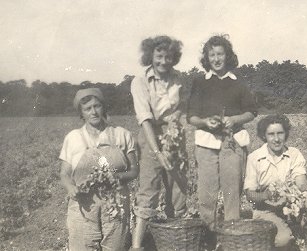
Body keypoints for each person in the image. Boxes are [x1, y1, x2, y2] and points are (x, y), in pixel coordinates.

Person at [187, 35, 258, 247]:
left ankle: (231, 239)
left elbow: (252, 111)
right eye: (212, 55)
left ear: (227, 56)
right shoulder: (200, 82)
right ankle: (208, 240)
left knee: (231, 192)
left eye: (220, 54)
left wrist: (235, 119)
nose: (216, 58)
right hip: (206, 143)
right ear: (207, 58)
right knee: (206, 193)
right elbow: (191, 116)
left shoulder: (238, 82)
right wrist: (205, 122)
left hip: (232, 142)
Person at [59, 88, 139, 251]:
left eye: (97, 106)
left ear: (104, 107)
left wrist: (117, 177)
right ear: (81, 113)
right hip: (84, 205)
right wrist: (70, 187)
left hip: (115, 204)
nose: (94, 112)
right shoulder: (73, 138)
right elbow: (64, 174)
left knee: (116, 246)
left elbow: (134, 170)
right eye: (87, 109)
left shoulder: (121, 135)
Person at [130, 35, 187, 251]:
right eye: (159, 56)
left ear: (174, 58)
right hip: (150, 133)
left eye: (168, 57)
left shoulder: (179, 78)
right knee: (148, 188)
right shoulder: (140, 81)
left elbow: (182, 106)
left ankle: (177, 240)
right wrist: (157, 151)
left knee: (178, 186)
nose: (164, 61)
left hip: (174, 134)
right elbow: (144, 117)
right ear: (150, 56)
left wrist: (174, 122)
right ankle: (136, 246)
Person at [244, 114, 307, 251]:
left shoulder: (294, 153)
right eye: (271, 134)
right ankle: (287, 229)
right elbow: (250, 194)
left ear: (286, 134)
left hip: (289, 203)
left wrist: (297, 184)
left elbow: (301, 184)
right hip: (266, 208)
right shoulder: (254, 158)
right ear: (264, 136)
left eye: (280, 133)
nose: (276, 139)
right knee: (281, 241)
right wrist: (267, 195)